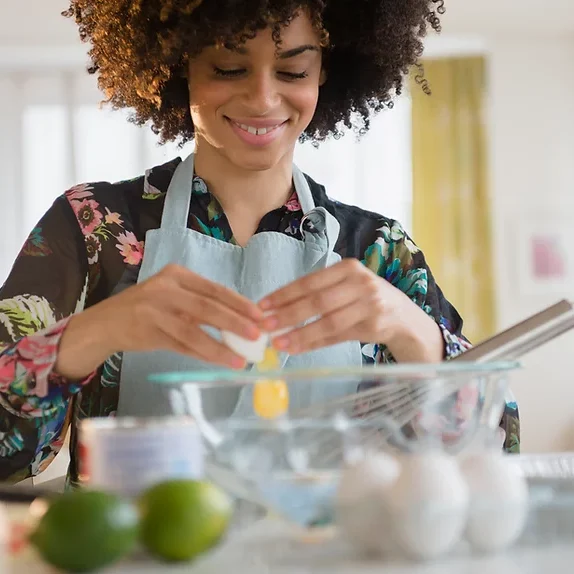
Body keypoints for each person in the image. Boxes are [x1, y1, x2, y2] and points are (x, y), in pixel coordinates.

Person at [0, 0, 520, 484]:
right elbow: (9, 456)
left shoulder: (378, 249)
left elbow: (490, 457)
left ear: (324, 75)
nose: (263, 98)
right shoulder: (93, 225)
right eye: (229, 68)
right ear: (181, 66)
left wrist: (415, 333)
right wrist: (93, 333)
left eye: (293, 71)